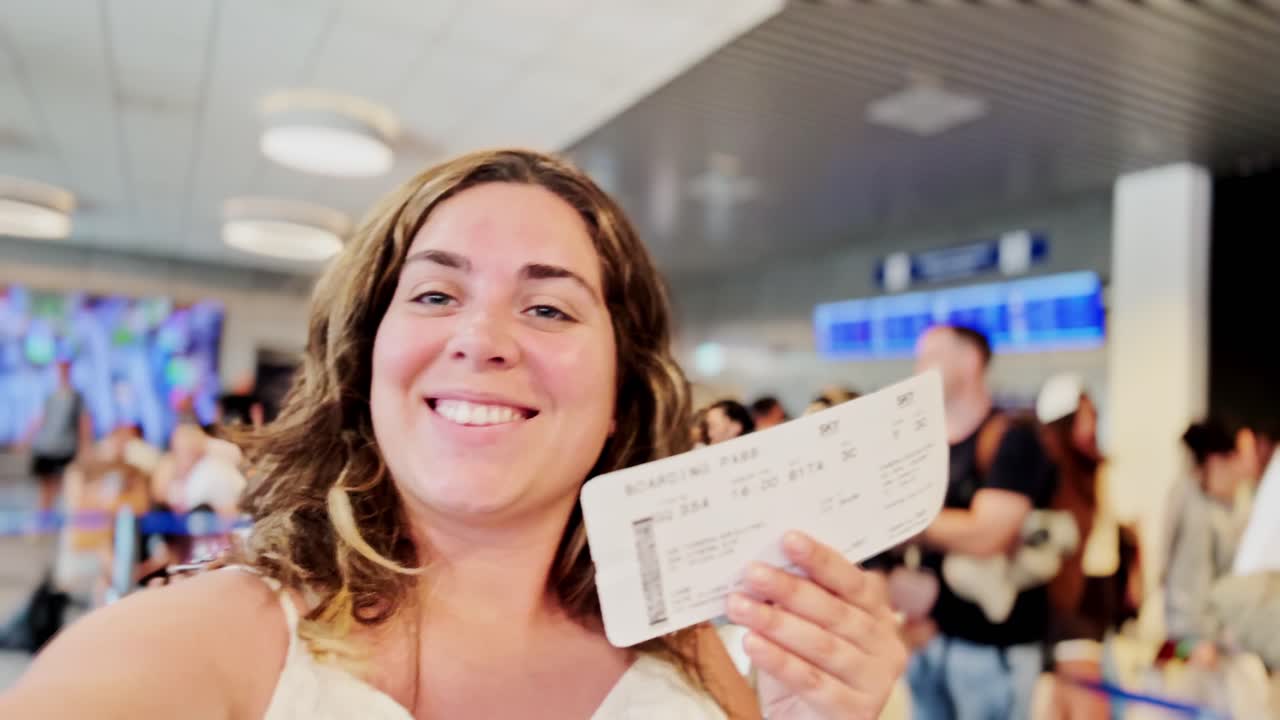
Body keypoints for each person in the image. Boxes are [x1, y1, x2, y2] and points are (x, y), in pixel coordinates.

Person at [0, 149, 906, 719]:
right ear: (366, 359)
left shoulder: (690, 652)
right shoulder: (208, 642)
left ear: (620, 394)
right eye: (435, 294)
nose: (481, 338)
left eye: (548, 307)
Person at [905, 324, 1058, 720]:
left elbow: (987, 534)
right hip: (930, 640)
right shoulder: (925, 445)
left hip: (992, 648)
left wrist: (907, 523)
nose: (920, 369)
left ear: (971, 361)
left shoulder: (1013, 438)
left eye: (932, 357)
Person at [1035, 374, 1141, 720]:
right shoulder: (1051, 473)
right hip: (1070, 607)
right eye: (1082, 417)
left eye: (1092, 415)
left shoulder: (1096, 469)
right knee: (1085, 700)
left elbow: (1123, 531)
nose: (1090, 425)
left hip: (1099, 599)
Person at [1159, 418, 1253, 669]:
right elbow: (1183, 575)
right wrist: (1195, 638)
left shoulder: (1235, 504)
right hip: (1191, 636)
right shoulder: (1190, 500)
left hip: (1221, 637)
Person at [23, 360, 91, 512]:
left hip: (66, 448)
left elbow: (84, 422)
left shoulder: (77, 397)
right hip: (46, 447)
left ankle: (60, 519)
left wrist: (85, 446)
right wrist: (26, 437)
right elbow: (40, 418)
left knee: (65, 488)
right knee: (46, 489)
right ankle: (44, 519)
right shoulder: (50, 395)